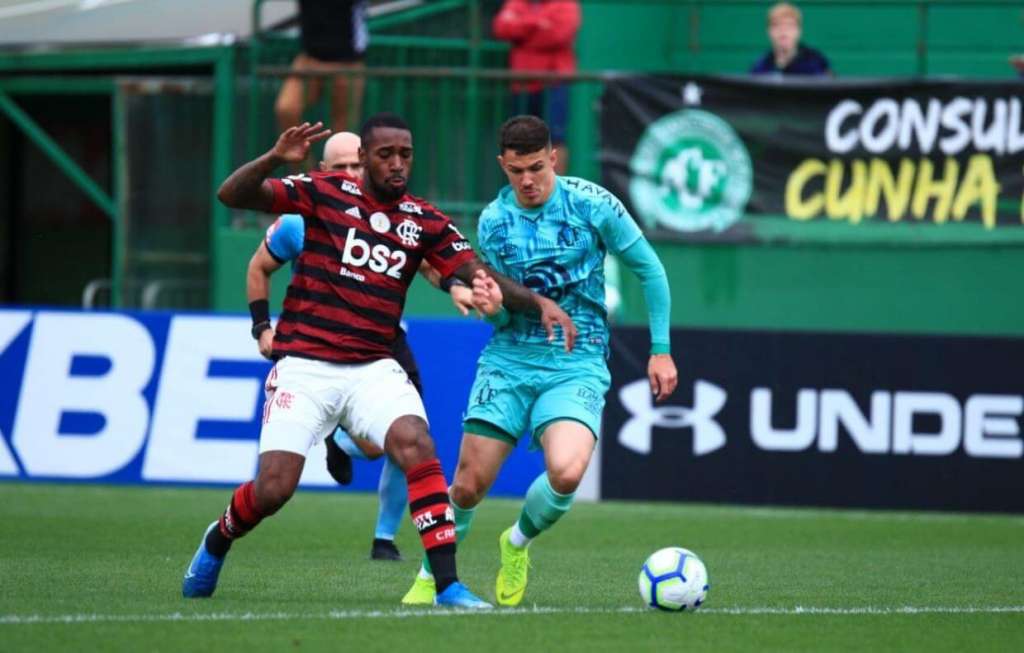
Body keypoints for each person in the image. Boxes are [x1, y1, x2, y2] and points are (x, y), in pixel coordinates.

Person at [182, 113, 576, 608]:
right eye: (385, 154)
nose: (396, 164)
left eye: (405, 155)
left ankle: (448, 585)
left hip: (372, 366)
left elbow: (476, 270)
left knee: (417, 444)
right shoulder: (322, 192)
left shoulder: (425, 221)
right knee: (274, 490)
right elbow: (232, 195)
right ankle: (218, 539)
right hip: (305, 364)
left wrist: (529, 301)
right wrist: (273, 160)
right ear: (365, 157)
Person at [401, 115, 678, 607]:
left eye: (535, 168)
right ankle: (431, 574)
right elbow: (500, 310)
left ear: (554, 158)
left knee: (567, 471)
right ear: (502, 165)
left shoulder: (593, 205)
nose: (527, 180)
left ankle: (517, 542)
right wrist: (489, 306)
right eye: (515, 171)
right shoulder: (493, 221)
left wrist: (661, 349)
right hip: (510, 358)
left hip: (577, 359)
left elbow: (650, 270)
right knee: (466, 486)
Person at [253, 131, 476, 562]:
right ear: (322, 171)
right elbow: (258, 268)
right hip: (317, 351)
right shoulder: (304, 214)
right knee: (278, 485)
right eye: (342, 169)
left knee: (407, 441)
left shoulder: (400, 214)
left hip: (381, 342)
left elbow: (430, 263)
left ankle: (385, 537)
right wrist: (261, 327)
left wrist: (455, 284)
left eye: (356, 167)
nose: (352, 175)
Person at [492, 0, 580, 175]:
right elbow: (501, 28)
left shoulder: (565, 4)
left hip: (554, 84)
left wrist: (521, 33)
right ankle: (522, 194)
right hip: (522, 85)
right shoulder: (517, 3)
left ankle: (556, 193)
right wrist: (537, 24)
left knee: (555, 140)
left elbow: (558, 35)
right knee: (517, 140)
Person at [275, 0, 368, 134]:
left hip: (347, 62)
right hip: (310, 58)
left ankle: (337, 155)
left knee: (343, 130)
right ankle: (302, 155)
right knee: (287, 108)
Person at [750, 2, 830, 76]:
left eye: (789, 25)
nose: (783, 30)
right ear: (769, 31)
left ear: (798, 31)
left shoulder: (815, 62)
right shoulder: (761, 66)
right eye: (777, 25)